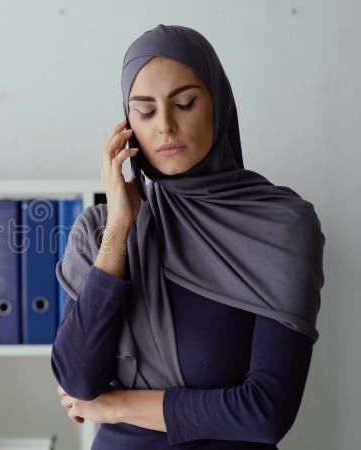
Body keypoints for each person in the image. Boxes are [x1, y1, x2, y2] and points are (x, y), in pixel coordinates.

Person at [50, 24, 326, 449]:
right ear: (127, 127)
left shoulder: (281, 227)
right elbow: (77, 379)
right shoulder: (98, 230)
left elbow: (266, 413)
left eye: (184, 103)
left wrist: (117, 407)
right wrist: (119, 231)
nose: (165, 126)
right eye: (144, 111)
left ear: (219, 105)